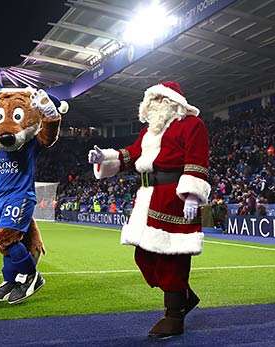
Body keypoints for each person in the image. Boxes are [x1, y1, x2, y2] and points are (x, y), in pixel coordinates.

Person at [88, 81, 210, 339]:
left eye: (159, 100)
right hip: (147, 197)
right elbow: (131, 155)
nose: (154, 105)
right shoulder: (149, 133)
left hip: (173, 194)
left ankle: (174, 315)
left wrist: (191, 195)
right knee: (144, 257)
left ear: (172, 102)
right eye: (151, 101)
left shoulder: (191, 125)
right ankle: (184, 296)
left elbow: (197, 159)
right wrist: (105, 158)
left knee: (172, 257)